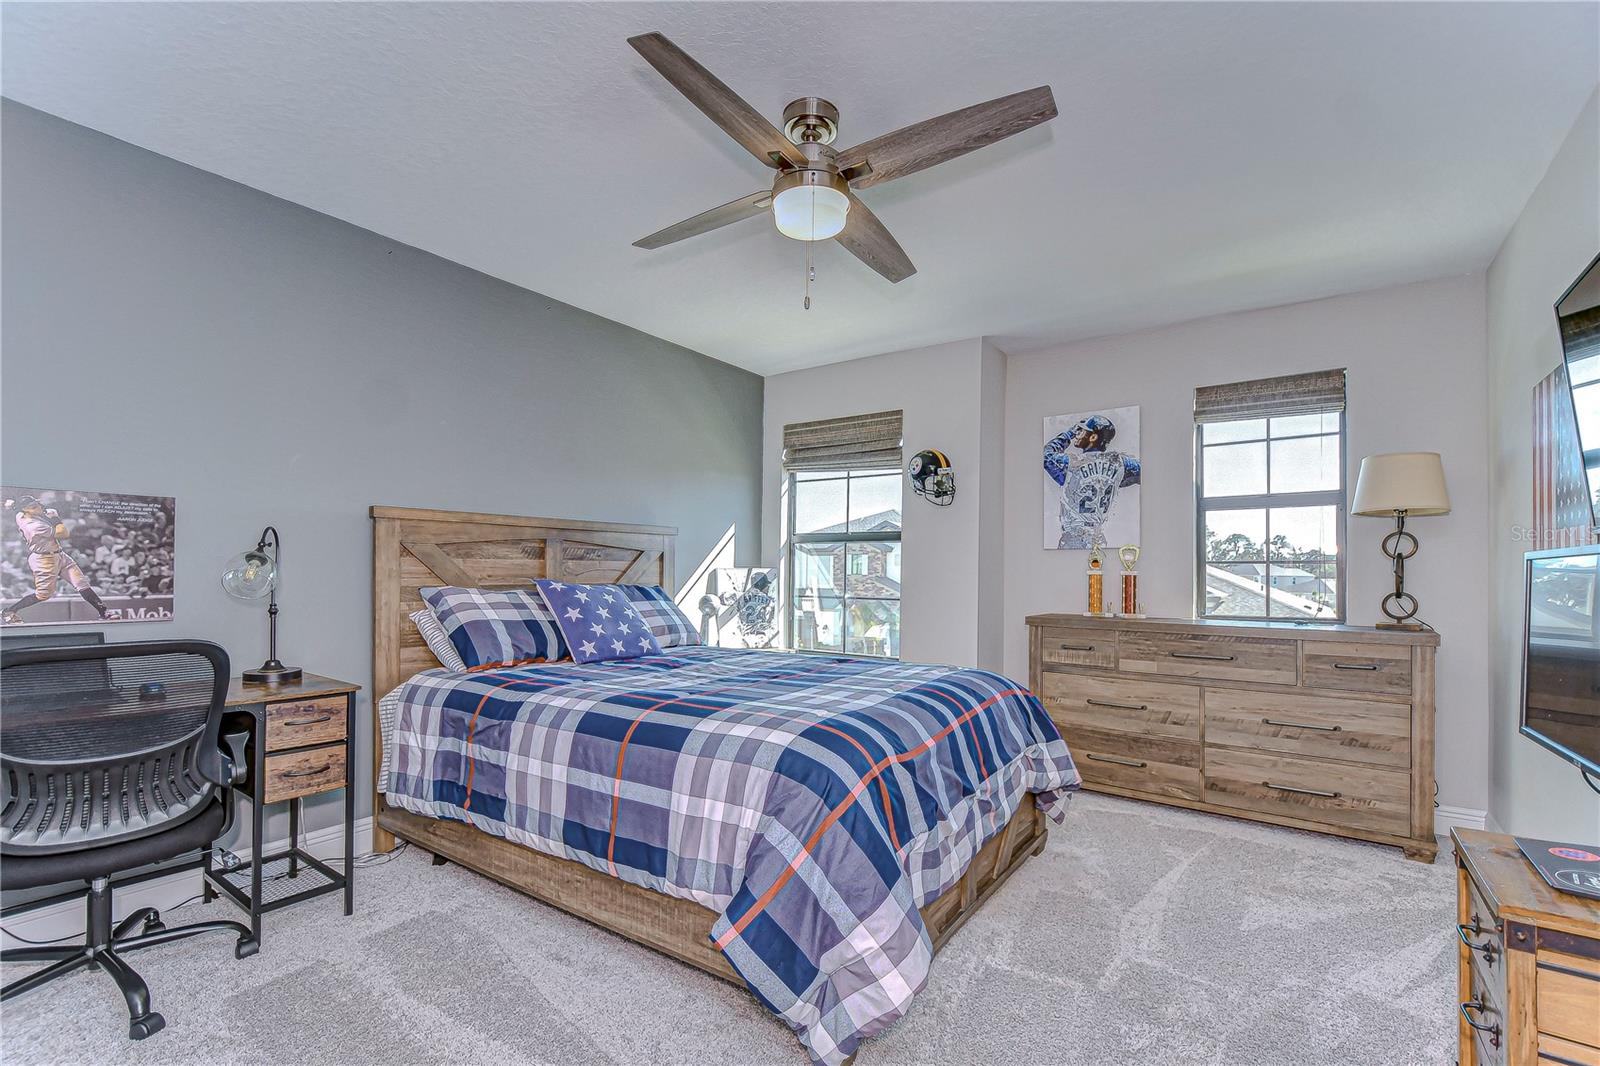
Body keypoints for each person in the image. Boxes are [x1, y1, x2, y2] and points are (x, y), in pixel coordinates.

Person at [2, 496, 111, 623]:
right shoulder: (33, 525)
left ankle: (104, 612)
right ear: (26, 511)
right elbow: (64, 534)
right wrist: (55, 518)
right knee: (43, 594)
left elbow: (18, 508)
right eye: (32, 507)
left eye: (36, 504)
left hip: (60, 554)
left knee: (82, 583)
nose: (37, 507)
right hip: (43, 559)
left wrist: (12, 504)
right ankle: (9, 611)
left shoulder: (20, 514)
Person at [1043, 415, 1142, 551]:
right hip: (1097, 538)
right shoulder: (1119, 463)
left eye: (1082, 431)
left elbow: (1046, 455)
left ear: (1093, 437)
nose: (1078, 434)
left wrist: (1069, 433)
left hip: (1073, 538)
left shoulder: (1072, 462)